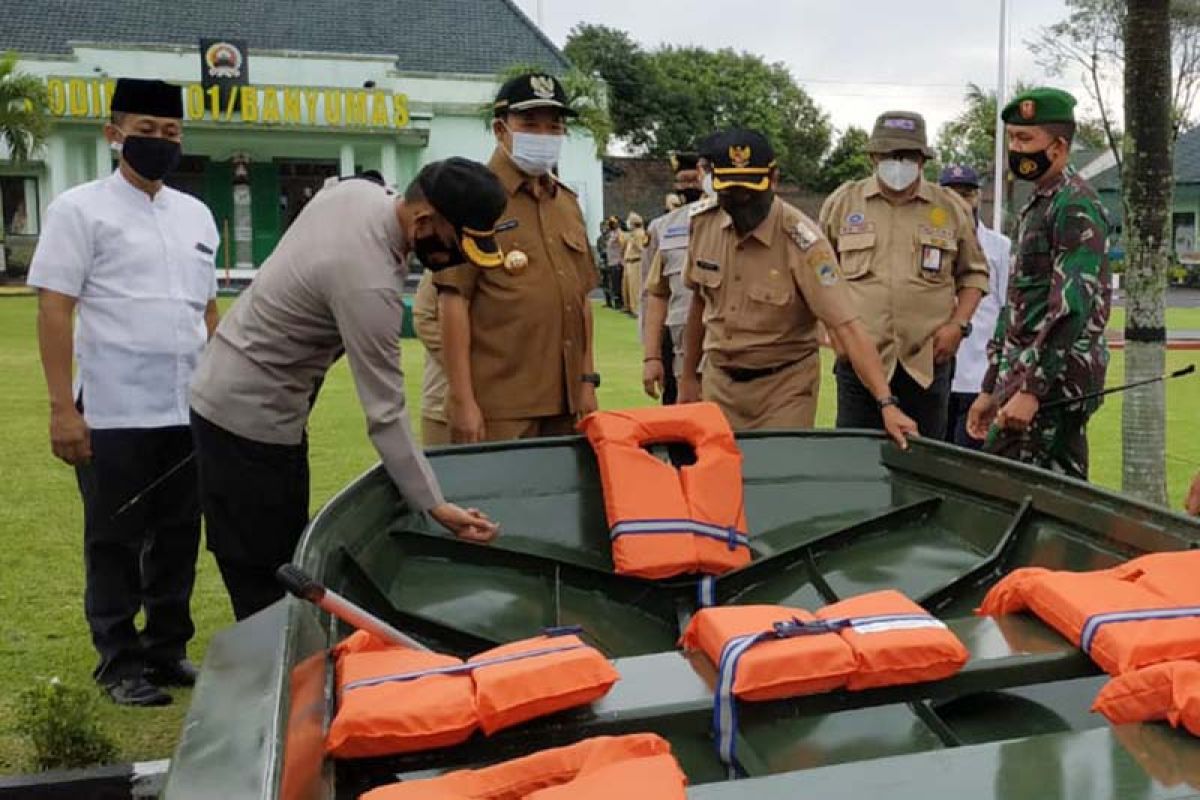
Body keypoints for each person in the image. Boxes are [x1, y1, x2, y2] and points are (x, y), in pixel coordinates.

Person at [190, 158, 503, 621]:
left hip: (242, 393)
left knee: (276, 548)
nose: (456, 259)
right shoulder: (367, 281)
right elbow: (385, 411)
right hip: (249, 417)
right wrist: (433, 503)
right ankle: (274, 677)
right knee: (268, 572)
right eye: (457, 244)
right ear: (424, 220)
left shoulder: (358, 195)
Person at [28, 78, 219, 706]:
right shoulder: (78, 210)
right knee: (113, 538)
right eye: (145, 131)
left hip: (184, 407)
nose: (159, 143)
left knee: (178, 534)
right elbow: (55, 311)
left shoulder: (195, 214)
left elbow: (208, 313)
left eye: (171, 133)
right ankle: (118, 661)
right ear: (114, 134)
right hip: (112, 409)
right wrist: (63, 409)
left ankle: (167, 651)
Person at [676, 128, 917, 446]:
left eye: (750, 193)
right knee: (720, 482)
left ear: (773, 179)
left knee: (775, 479)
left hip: (783, 389)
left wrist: (886, 404)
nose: (742, 202)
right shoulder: (703, 225)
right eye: (731, 194)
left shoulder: (804, 242)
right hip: (720, 382)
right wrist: (689, 377)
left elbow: (846, 327)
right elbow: (699, 305)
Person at [435, 72, 599, 443]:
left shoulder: (567, 203)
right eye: (529, 125)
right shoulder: (469, 197)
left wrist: (587, 381)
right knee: (497, 500)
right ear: (500, 129)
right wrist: (462, 400)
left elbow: (582, 300)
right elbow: (453, 301)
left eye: (554, 127)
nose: (543, 137)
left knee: (560, 499)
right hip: (499, 404)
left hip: (567, 402)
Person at [967, 88, 1112, 479]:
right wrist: (990, 387)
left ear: (1059, 147)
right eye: (1012, 138)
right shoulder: (1037, 205)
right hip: (1024, 376)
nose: (1016, 149)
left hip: (1055, 382)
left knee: (1002, 487)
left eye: (1025, 139)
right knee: (1054, 494)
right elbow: (1015, 306)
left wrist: (1032, 390)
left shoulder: (1074, 205)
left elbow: (1071, 307)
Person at [819, 110, 989, 439]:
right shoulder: (843, 203)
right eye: (889, 156)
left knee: (924, 464)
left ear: (923, 160)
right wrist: (832, 333)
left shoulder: (950, 208)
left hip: (926, 361)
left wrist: (958, 325)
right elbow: (819, 276)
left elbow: (974, 276)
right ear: (873, 157)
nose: (898, 163)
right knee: (857, 463)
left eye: (908, 156)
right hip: (859, 361)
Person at [938, 165, 1012, 449]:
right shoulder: (924, 242)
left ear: (978, 197)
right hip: (936, 374)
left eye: (966, 194)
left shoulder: (999, 247)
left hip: (978, 376)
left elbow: (1007, 308)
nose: (960, 202)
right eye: (951, 194)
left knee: (970, 463)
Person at [642, 150, 707, 404]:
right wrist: (651, 355)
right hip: (675, 339)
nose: (690, 186)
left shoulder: (731, 220)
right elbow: (653, 294)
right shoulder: (663, 227)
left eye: (695, 179)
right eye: (684, 181)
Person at [412, 268, 450, 446]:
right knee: (441, 470)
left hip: (503, 402)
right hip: (441, 400)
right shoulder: (446, 257)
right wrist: (463, 364)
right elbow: (423, 317)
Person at [622, 212, 647, 316]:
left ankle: (636, 310)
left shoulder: (639, 234)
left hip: (636, 262)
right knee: (628, 287)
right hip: (629, 262)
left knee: (635, 287)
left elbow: (642, 248)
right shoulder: (632, 234)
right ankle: (629, 307)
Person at [604, 216, 625, 310]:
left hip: (617, 262)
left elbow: (622, 245)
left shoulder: (619, 234)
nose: (610, 224)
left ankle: (619, 303)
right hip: (611, 262)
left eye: (612, 222)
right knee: (613, 283)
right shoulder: (612, 234)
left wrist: (621, 259)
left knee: (618, 284)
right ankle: (615, 302)